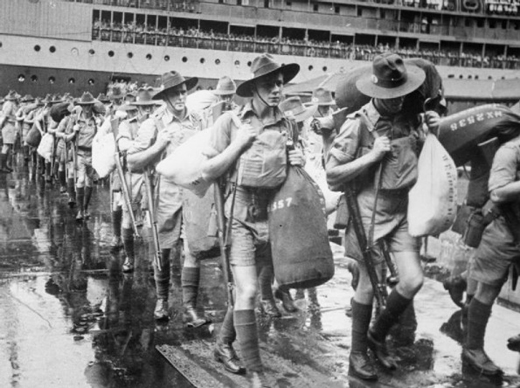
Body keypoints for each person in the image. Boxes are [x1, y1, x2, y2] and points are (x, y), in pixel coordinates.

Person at [325, 53, 440, 381]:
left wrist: (434, 133)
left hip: (400, 211)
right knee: (367, 286)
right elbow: (332, 175)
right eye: (392, 96)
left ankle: (377, 337)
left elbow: (420, 159)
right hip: (368, 211)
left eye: (402, 93)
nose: (398, 101)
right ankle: (357, 354)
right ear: (375, 92)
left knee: (413, 279)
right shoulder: (357, 124)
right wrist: (372, 156)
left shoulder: (411, 118)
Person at [202, 53, 304, 388]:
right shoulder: (231, 123)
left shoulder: (287, 123)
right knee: (246, 292)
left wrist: (297, 161)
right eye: (269, 84)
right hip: (239, 214)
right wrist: (239, 145)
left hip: (273, 215)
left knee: (249, 295)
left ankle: (222, 344)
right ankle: (256, 370)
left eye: (280, 83)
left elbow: (289, 172)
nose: (277, 89)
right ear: (254, 88)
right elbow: (208, 171)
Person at [126, 71, 211, 328]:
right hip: (166, 193)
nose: (181, 97)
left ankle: (189, 308)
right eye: (175, 93)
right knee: (163, 249)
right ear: (165, 98)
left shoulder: (199, 120)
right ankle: (162, 300)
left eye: (184, 92)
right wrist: (158, 146)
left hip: (195, 191)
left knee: (193, 248)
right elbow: (132, 162)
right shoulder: (153, 124)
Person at [462, 132, 520, 376]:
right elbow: (497, 193)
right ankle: (472, 348)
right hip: (505, 229)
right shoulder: (510, 152)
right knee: (487, 289)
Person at [117, 87, 157, 273]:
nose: (148, 111)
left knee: (152, 218)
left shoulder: (158, 123)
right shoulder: (127, 124)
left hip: (153, 174)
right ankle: (129, 257)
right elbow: (123, 145)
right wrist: (140, 147)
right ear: (138, 109)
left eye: (150, 107)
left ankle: (153, 259)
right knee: (128, 217)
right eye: (144, 107)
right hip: (133, 174)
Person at [73, 92, 103, 221]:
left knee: (89, 182)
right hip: (79, 153)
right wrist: (73, 131)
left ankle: (85, 209)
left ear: (92, 106)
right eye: (84, 106)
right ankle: (79, 211)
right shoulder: (75, 119)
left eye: (89, 106)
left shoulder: (96, 120)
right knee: (80, 180)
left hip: (92, 154)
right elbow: (67, 136)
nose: (86, 108)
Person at [0, 91, 20, 173]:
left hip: (10, 125)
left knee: (8, 146)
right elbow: (5, 116)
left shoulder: (11, 103)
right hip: (8, 125)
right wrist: (0, 126)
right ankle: (2, 166)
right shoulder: (9, 104)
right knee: (6, 146)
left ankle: (5, 165)